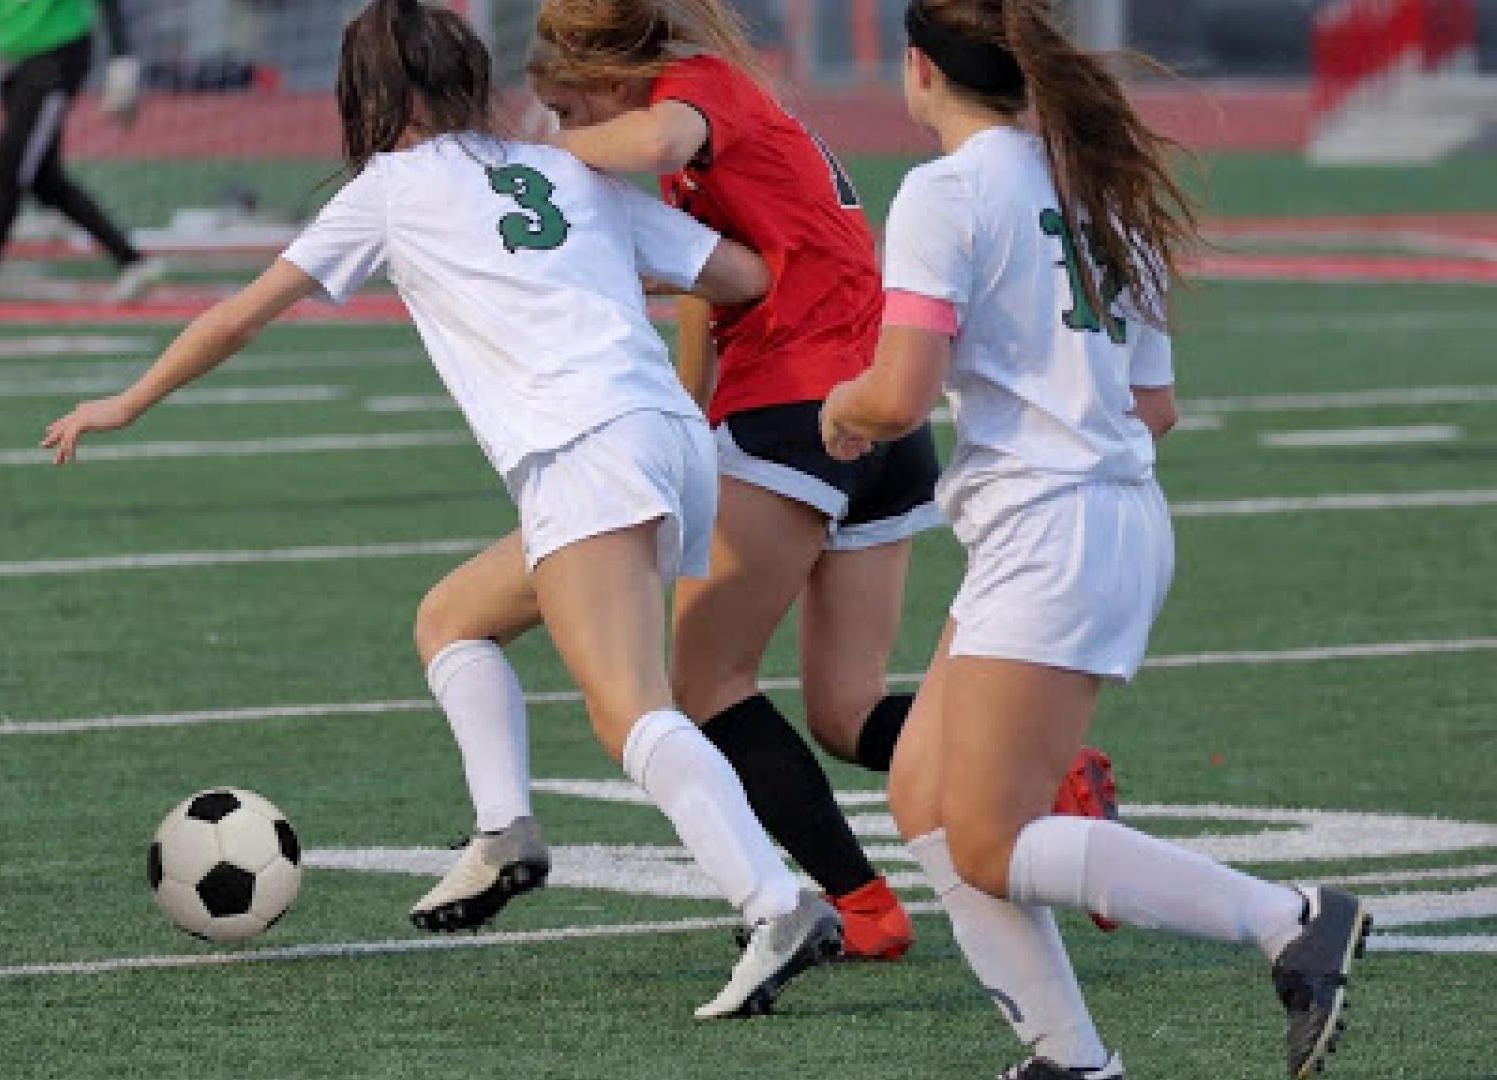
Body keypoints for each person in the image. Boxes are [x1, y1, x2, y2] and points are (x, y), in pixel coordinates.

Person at [42, 0, 841, 1020]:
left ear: (370, 93)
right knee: (452, 619)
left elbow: (242, 314)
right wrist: (589, 261)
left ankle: (774, 902)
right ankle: (505, 831)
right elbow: (740, 272)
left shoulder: (389, 189)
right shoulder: (567, 170)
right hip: (662, 436)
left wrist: (126, 402)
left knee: (630, 708)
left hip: (584, 448)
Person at [409, 0, 1117, 962]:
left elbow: (649, 135)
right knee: (847, 709)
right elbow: (714, 298)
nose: (573, 131)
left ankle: (859, 904)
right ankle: (1054, 776)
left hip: (801, 415)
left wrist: (536, 159)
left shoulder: (697, 96)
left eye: (571, 107)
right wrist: (687, 420)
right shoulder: (711, 160)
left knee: (703, 687)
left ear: (612, 76)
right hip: (872, 421)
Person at [818, 2, 1368, 1076]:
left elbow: (901, 392)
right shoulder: (1095, 185)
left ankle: (1288, 916)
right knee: (924, 802)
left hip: (1054, 532)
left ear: (918, 71)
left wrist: (846, 409)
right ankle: (1071, 1061)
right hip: (1083, 521)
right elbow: (1153, 404)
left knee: (985, 837)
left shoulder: (942, 191)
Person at [0, 0, 165, 308]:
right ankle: (133, 262)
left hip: (57, 52)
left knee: (9, 167)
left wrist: (122, 62)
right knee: (45, 180)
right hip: (14, 58)